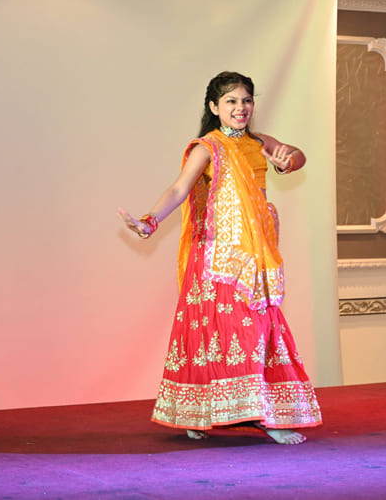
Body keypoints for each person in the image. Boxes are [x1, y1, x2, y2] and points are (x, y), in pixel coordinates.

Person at [118, 71, 321, 445]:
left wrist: (286, 161)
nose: (240, 108)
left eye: (246, 100)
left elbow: (296, 155)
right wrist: (151, 221)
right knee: (212, 333)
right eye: (231, 101)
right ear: (214, 107)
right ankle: (208, 413)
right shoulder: (208, 147)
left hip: (253, 253)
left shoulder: (259, 142)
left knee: (257, 332)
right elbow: (179, 188)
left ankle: (258, 414)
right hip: (216, 258)